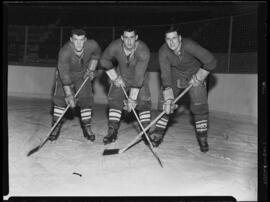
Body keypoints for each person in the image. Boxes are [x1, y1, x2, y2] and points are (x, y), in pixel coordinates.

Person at [150, 25, 217, 152]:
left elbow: (211, 61)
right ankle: (158, 135)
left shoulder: (190, 45)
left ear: (180, 38)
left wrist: (199, 77)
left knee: (199, 106)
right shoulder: (163, 51)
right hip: (175, 77)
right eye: (168, 39)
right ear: (165, 40)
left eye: (174, 38)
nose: (171, 42)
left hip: (194, 75)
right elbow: (165, 75)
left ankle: (202, 139)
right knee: (164, 104)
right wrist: (168, 97)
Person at [100, 26, 151, 145]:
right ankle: (112, 132)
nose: (129, 41)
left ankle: (145, 132)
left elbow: (138, 77)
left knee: (143, 102)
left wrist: (132, 99)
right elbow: (104, 60)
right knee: (114, 101)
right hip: (121, 77)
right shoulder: (115, 46)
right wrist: (114, 77)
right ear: (122, 38)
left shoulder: (143, 51)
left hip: (140, 79)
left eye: (132, 38)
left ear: (136, 38)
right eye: (126, 38)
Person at [49, 29, 101, 142]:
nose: (78, 43)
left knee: (86, 99)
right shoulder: (64, 52)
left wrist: (91, 69)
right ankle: (55, 126)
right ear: (71, 40)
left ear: (85, 40)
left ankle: (87, 127)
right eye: (76, 40)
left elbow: (96, 54)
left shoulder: (92, 45)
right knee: (60, 99)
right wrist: (69, 95)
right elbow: (64, 76)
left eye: (81, 40)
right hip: (65, 75)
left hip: (82, 75)